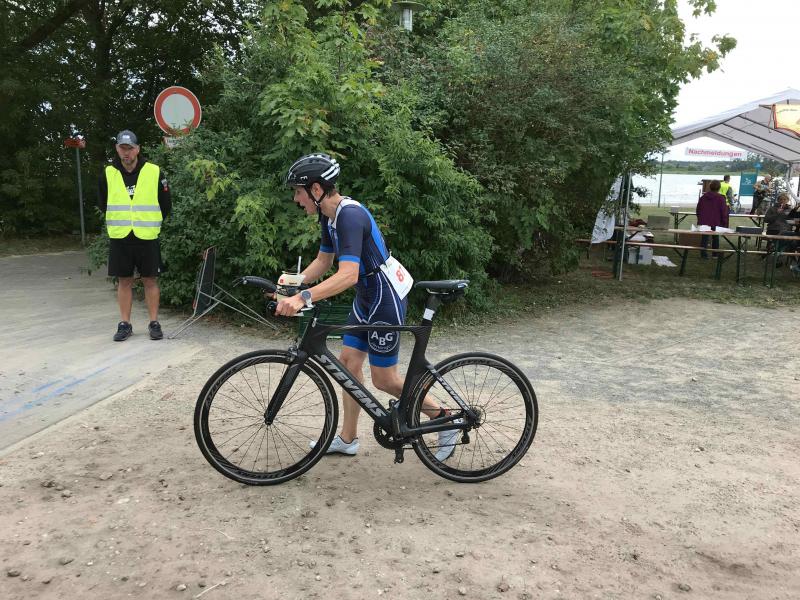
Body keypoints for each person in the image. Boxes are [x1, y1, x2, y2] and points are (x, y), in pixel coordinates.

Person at [275, 153, 459, 461]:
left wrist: (303, 298)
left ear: (316, 190)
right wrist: (294, 284)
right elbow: (324, 261)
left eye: (298, 191)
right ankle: (347, 439)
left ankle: (444, 417)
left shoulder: (350, 216)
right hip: (367, 296)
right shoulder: (329, 216)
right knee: (348, 363)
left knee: (384, 380)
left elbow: (348, 275)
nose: (296, 199)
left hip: (384, 297)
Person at [97, 130, 171, 341]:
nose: (126, 152)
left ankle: (154, 323)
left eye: (130, 148)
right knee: (124, 281)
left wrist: (150, 221)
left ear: (137, 149)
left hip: (147, 235)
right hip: (120, 236)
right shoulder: (108, 173)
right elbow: (103, 203)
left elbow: (165, 204)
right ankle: (125, 324)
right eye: (122, 148)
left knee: (150, 280)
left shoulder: (154, 172)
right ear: (117, 149)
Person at [695, 179, 728, 259]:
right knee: (715, 238)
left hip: (705, 221)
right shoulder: (721, 198)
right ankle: (715, 254)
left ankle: (703, 254)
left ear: (710, 187)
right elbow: (724, 211)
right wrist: (724, 222)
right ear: (719, 188)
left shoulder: (703, 197)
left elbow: (698, 209)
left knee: (705, 238)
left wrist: (700, 218)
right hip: (716, 221)